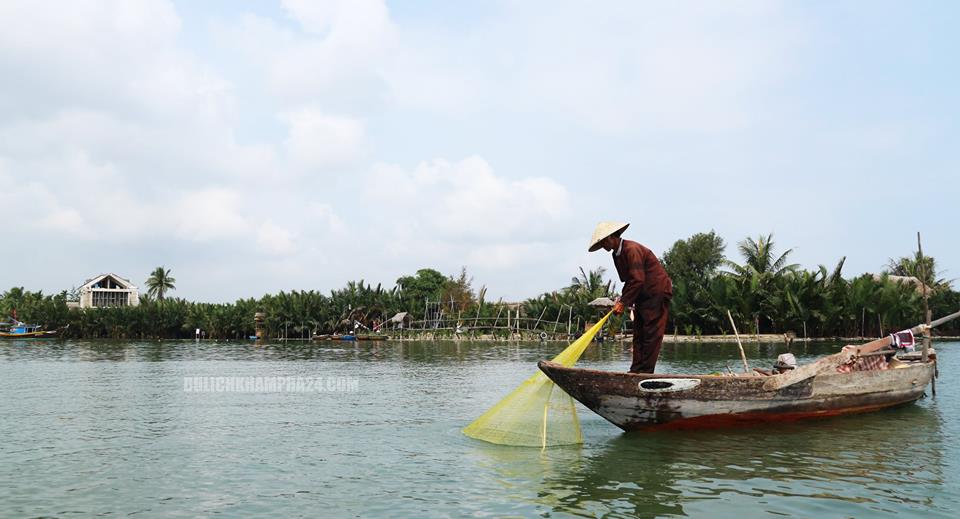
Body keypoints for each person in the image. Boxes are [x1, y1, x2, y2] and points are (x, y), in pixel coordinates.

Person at [588, 221, 673, 373]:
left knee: (651, 333)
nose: (603, 246)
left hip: (656, 292)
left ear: (611, 238)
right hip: (642, 295)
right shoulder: (617, 254)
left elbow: (637, 279)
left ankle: (645, 372)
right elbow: (629, 281)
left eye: (603, 242)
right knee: (639, 333)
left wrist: (624, 302)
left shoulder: (631, 249)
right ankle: (636, 371)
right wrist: (621, 300)